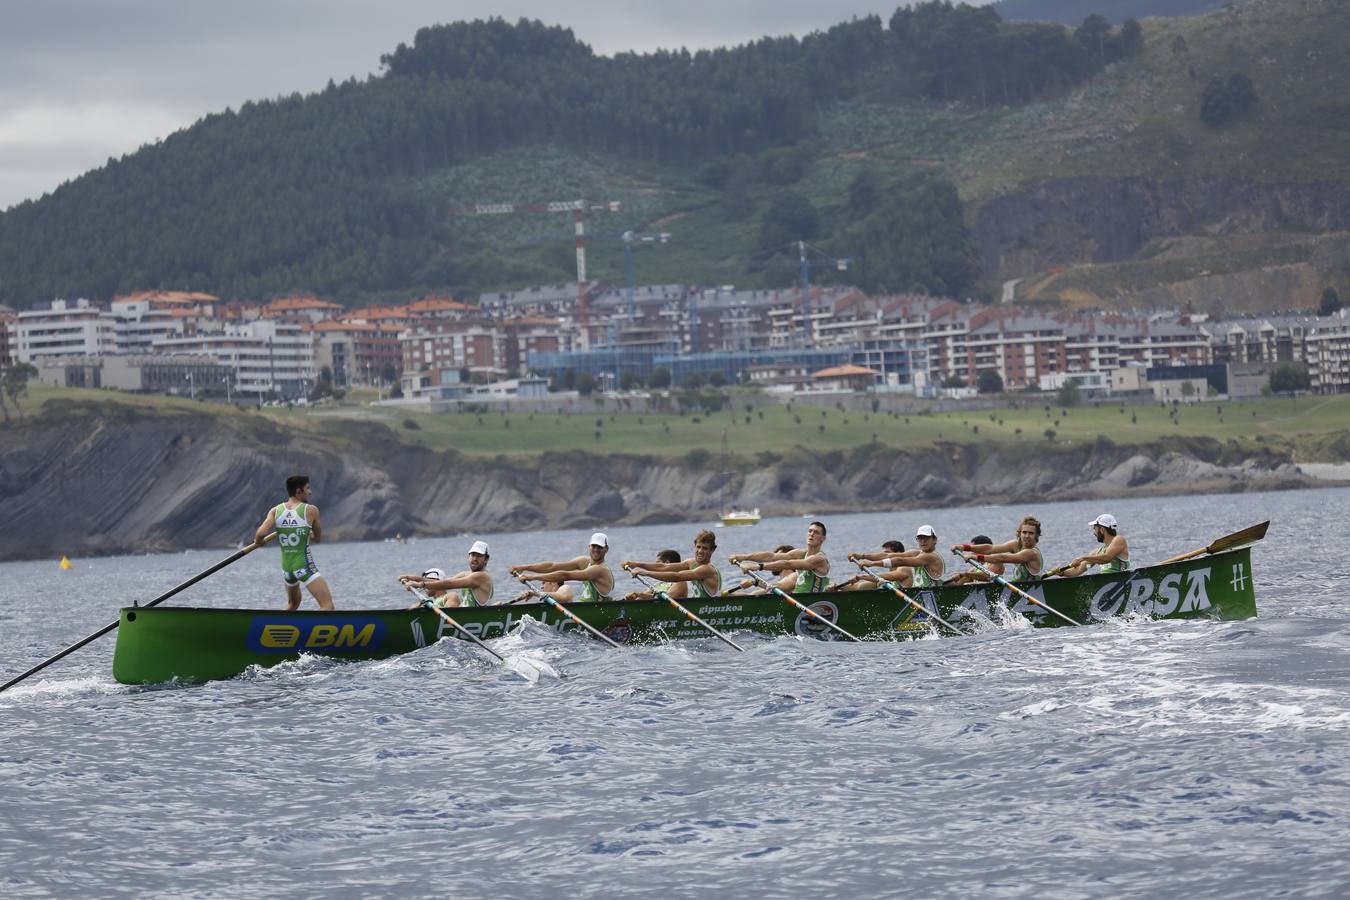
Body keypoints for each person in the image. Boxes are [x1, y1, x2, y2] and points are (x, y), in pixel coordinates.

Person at [255, 474, 334, 611]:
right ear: (299, 491)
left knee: (293, 605)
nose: (310, 492)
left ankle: (276, 627)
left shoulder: (275, 510)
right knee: (327, 606)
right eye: (307, 488)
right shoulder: (311, 510)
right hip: (303, 565)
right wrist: (307, 533)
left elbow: (260, 534)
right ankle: (312, 631)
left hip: (287, 569)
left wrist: (259, 542)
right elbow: (317, 539)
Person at [729, 521, 830, 594]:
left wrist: (757, 567)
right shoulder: (800, 553)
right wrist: (742, 557)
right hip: (798, 599)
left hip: (813, 603)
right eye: (810, 531)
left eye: (816, 532)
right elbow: (771, 556)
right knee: (756, 593)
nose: (811, 534)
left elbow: (787, 564)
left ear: (823, 538)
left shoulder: (819, 559)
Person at [511, 532, 616, 602]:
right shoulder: (584, 561)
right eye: (594, 546)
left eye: (600, 547)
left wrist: (532, 577)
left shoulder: (600, 569)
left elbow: (566, 575)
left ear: (606, 549)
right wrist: (523, 567)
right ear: (589, 546)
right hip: (582, 607)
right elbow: (553, 566)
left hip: (597, 611)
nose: (596, 550)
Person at [625, 531, 721, 600]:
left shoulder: (707, 569)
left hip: (708, 608)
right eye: (698, 547)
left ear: (712, 550)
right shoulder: (691, 563)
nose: (700, 551)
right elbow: (663, 567)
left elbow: (677, 576)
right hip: (699, 606)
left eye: (704, 548)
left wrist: (645, 573)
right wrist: (636, 564)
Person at [399, 540, 495, 608]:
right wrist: (414, 578)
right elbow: (443, 583)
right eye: (473, 555)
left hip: (475, 618)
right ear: (468, 556)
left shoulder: (482, 576)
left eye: (479, 556)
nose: (475, 558)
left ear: (486, 559)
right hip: (466, 616)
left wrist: (420, 585)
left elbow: (449, 584)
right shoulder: (466, 574)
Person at [954, 517, 1044, 583]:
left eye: (1031, 533)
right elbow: (990, 548)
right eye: (1024, 532)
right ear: (1019, 533)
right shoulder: (1016, 545)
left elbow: (1003, 558)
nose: (1027, 536)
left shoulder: (1032, 553)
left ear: (1037, 536)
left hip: (1030, 589)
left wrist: (975, 556)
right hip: (1015, 586)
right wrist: (964, 547)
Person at [852, 525, 944, 589]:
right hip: (920, 593)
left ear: (935, 539)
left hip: (931, 595)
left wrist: (872, 564)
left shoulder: (931, 557)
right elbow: (888, 555)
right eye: (920, 538)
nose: (923, 541)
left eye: (926, 538)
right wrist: (862, 556)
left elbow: (901, 561)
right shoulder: (917, 552)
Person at [1056, 514, 1130, 577]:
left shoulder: (1119, 540)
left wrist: (1083, 558)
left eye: (1095, 529)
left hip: (1122, 581)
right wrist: (1062, 572)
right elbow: (1077, 571)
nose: (1094, 533)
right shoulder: (1096, 553)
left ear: (1102, 530)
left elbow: (1107, 558)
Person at [831, 540, 907, 591]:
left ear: (899, 554)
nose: (884, 556)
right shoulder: (880, 580)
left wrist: (860, 577)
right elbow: (859, 587)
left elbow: (891, 576)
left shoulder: (905, 569)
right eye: (883, 553)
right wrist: (838, 587)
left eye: (887, 553)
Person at [724, 544, 795, 595]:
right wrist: (730, 594)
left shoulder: (796, 577)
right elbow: (752, 596)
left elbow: (781, 587)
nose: (773, 562)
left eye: (778, 558)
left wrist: (755, 582)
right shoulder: (777, 583)